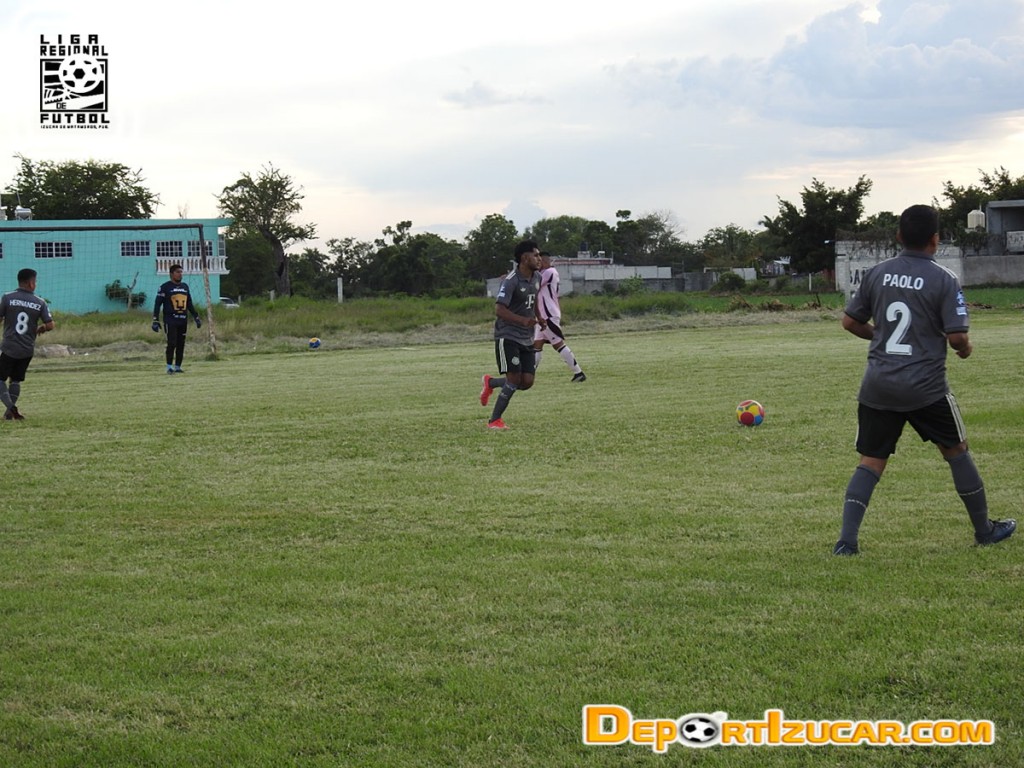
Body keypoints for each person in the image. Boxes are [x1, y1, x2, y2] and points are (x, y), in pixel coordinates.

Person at [833, 204, 1015, 555]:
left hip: (879, 385)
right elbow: (957, 337)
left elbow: (850, 322)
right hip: (926, 388)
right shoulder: (944, 279)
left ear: (898, 236)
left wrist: (880, 336)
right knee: (957, 451)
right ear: (936, 239)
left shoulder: (877, 273)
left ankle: (846, 542)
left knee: (871, 461)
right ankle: (984, 531)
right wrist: (965, 349)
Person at [479, 240, 543, 429]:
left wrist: (539, 317)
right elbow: (499, 310)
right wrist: (522, 320)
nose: (539, 259)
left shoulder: (537, 277)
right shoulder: (511, 280)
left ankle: (491, 382)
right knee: (514, 378)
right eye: (536, 255)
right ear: (524, 258)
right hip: (508, 335)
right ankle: (494, 421)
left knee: (527, 381)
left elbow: (533, 299)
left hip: (527, 337)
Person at [0, 268, 55, 421]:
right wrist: (41, 328)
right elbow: (50, 325)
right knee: (15, 380)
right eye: (35, 281)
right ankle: (9, 414)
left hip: (9, 347)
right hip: (27, 349)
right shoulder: (40, 302)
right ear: (31, 283)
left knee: (0, 378)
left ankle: (10, 407)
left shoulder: (7, 297)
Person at [533, 251, 586, 382]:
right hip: (543, 315)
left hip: (548, 315)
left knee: (558, 344)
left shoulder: (549, 272)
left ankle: (578, 373)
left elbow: (533, 285)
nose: (537, 264)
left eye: (539, 261)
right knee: (536, 345)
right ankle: (528, 375)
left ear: (544, 261)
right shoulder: (547, 272)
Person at [152, 263, 202, 374]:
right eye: (178, 272)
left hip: (182, 320)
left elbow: (189, 303)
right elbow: (157, 304)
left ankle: (178, 366)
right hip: (170, 320)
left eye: (181, 272)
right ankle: (169, 367)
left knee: (181, 344)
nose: (180, 274)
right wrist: (155, 319)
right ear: (171, 274)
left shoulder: (185, 287)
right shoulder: (165, 287)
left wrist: (196, 316)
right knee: (172, 343)